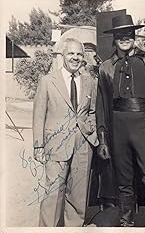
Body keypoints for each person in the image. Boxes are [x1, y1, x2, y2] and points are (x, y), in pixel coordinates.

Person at [95, 14, 145, 227]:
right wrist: (103, 139)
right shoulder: (106, 68)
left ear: (134, 35)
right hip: (118, 130)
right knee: (124, 182)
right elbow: (101, 106)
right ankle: (126, 224)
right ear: (114, 38)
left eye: (128, 33)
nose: (124, 38)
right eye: (120, 34)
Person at [32, 38, 99, 226]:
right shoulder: (47, 81)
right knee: (54, 192)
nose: (75, 58)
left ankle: (74, 227)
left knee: (78, 194)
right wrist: (38, 144)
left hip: (83, 145)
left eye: (79, 54)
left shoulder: (89, 81)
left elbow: (92, 110)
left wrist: (90, 130)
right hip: (56, 144)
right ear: (63, 55)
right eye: (71, 53)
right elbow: (38, 115)